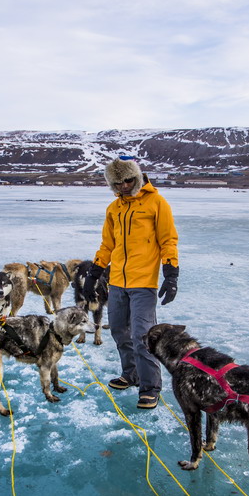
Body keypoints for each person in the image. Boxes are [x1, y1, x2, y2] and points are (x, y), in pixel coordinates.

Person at [85, 157, 179, 409]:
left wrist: (171, 275)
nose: (125, 185)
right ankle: (131, 374)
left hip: (144, 282)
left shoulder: (156, 203)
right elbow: (107, 245)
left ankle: (150, 387)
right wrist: (94, 273)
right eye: (118, 182)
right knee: (118, 331)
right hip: (117, 282)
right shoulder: (113, 209)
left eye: (128, 180)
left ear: (136, 177)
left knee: (143, 335)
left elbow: (168, 240)